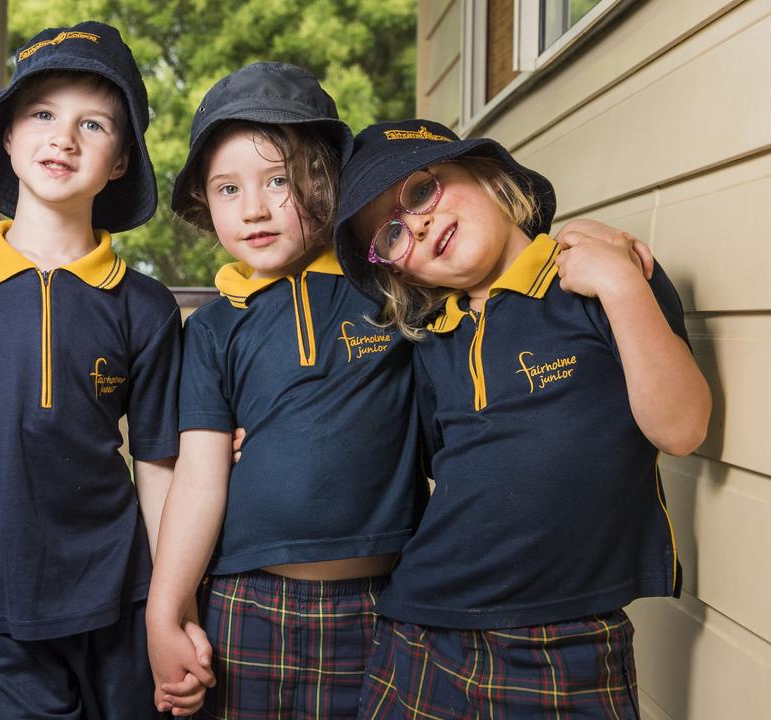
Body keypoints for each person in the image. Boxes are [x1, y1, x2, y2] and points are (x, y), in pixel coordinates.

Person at [0, 21, 200, 718]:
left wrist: (174, 608)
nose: (64, 137)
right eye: (43, 114)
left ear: (119, 161)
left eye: (94, 124)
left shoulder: (143, 305)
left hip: (120, 589)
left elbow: (159, 467)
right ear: (10, 139)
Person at [336, 118, 710, 718]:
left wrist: (619, 284)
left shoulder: (595, 278)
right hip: (422, 630)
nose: (418, 224)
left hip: (568, 640)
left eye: (420, 191)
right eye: (392, 236)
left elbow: (682, 429)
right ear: (399, 273)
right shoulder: (433, 344)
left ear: (487, 173)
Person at [146, 62, 428, 719]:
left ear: (329, 177)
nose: (254, 208)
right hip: (245, 602)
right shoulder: (214, 328)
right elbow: (198, 476)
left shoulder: (390, 293)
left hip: (382, 601)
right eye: (227, 189)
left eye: (279, 180)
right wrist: (166, 610)